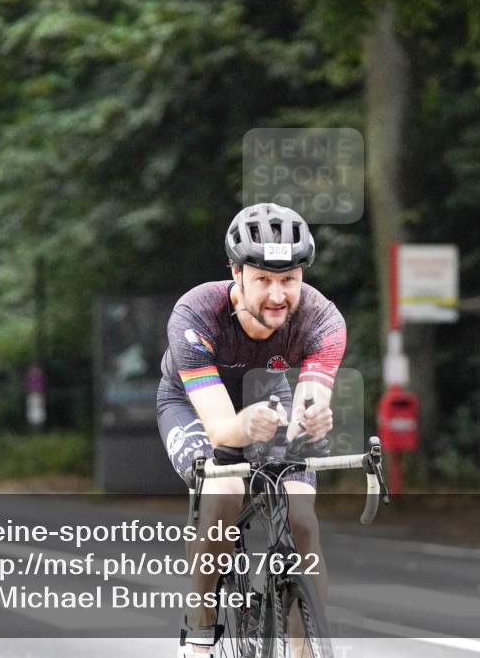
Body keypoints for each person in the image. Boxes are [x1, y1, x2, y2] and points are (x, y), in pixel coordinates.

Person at [157, 203, 346, 657]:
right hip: (193, 403)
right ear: (236, 274)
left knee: (302, 519)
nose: (277, 295)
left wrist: (312, 418)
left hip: (268, 395)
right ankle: (200, 631)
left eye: (289, 280)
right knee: (224, 492)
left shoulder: (322, 319)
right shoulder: (196, 314)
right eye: (263, 279)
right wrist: (245, 427)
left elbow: (311, 399)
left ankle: (305, 650)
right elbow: (223, 429)